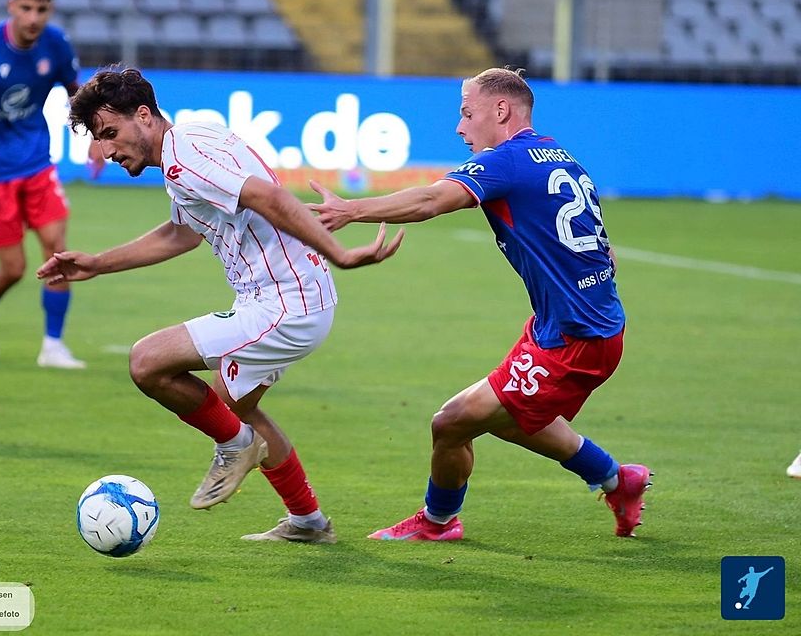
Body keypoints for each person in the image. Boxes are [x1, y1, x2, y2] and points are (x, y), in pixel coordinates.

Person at [37, 66, 403, 543]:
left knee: (148, 362)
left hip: (283, 304)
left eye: (110, 133)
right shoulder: (190, 142)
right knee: (235, 408)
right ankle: (308, 522)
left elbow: (269, 197)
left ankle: (235, 448)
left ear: (143, 115)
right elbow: (180, 234)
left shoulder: (183, 161)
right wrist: (98, 264)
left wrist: (342, 254)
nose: (106, 151)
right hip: (291, 297)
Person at [312, 67, 651, 541]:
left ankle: (438, 522)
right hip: (565, 326)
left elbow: (431, 200)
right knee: (509, 420)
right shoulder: (561, 157)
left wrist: (352, 209)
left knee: (451, 424)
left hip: (576, 340)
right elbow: (605, 251)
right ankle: (617, 479)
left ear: (501, 110)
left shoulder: (507, 160)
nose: (459, 127)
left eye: (467, 113)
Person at [0, 0, 101, 368]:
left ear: (50, 11)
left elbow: (76, 92)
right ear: (11, 6)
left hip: (36, 164)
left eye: (41, 10)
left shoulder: (56, 43)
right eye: (26, 8)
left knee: (57, 250)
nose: (33, 18)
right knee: (13, 269)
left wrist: (97, 134)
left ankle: (53, 346)